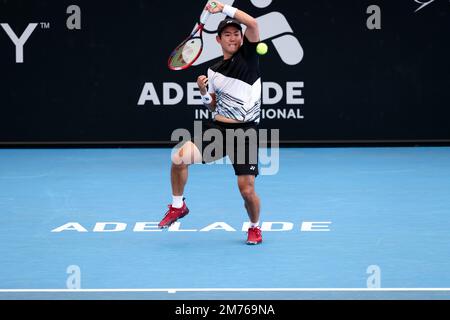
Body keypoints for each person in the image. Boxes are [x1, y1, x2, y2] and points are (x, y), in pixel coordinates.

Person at [158, 1, 263, 245]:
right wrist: (204, 92)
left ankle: (255, 227)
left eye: (237, 34)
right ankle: (178, 206)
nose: (234, 38)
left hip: (244, 133)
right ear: (218, 40)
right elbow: (213, 106)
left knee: (247, 191)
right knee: (178, 158)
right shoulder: (213, 70)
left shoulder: (248, 56)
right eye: (228, 35)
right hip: (218, 129)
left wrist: (223, 8)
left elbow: (254, 23)